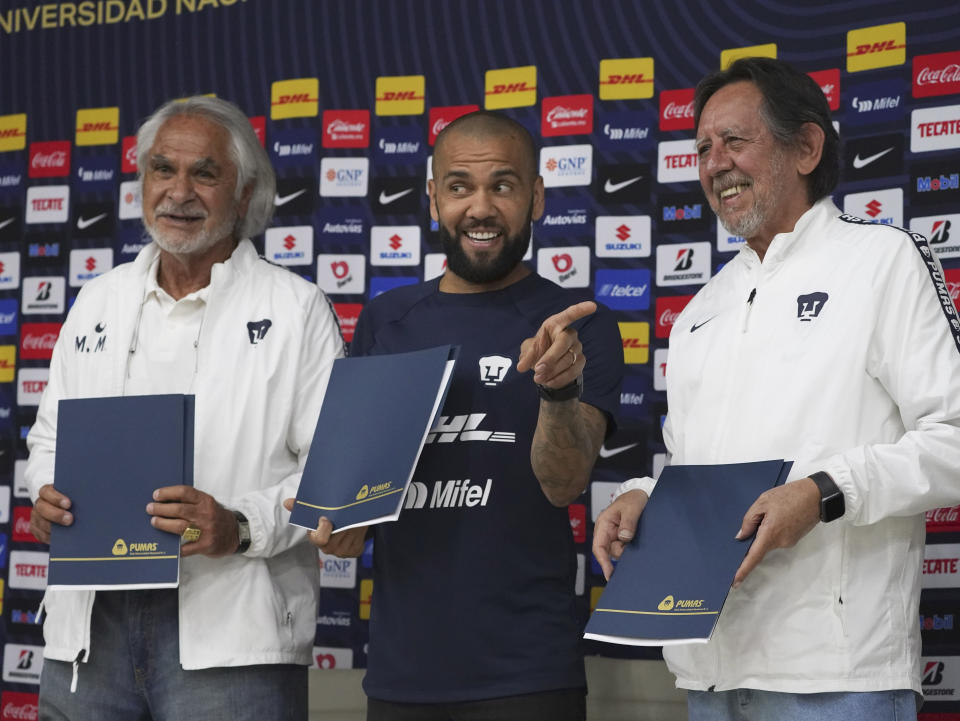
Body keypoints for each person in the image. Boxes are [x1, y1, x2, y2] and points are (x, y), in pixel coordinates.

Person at [593, 56, 960, 721]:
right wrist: (642, 496)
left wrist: (821, 492)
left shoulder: (883, 262)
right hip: (710, 671)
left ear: (807, 146)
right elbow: (696, 470)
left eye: (735, 140)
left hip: (838, 678)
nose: (714, 163)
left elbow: (954, 443)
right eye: (702, 147)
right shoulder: (702, 309)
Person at [294, 110, 624, 720]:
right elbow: (352, 521)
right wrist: (340, 525)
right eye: (459, 187)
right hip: (400, 674)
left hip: (529, 673)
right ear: (432, 199)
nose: (480, 207)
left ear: (537, 198)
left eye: (502, 185)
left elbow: (565, 482)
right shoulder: (386, 322)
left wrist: (555, 390)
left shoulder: (578, 323)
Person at [26, 96, 344, 720]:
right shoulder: (96, 301)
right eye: (161, 169)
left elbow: (332, 472)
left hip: (231, 632)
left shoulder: (296, 308)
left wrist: (242, 525)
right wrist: (47, 493)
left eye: (204, 172)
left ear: (245, 190)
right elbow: (49, 439)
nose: (178, 191)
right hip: (90, 629)